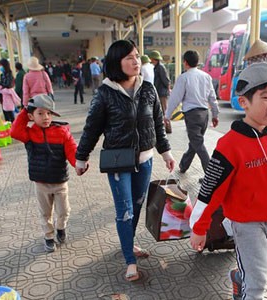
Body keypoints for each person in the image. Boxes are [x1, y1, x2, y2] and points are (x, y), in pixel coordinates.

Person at [189, 62, 267, 300]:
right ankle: (245, 283)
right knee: (256, 285)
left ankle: (241, 276)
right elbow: (210, 190)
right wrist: (199, 228)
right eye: (265, 97)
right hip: (247, 223)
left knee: (265, 267)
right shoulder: (229, 145)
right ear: (244, 102)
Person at [75, 40, 176, 282]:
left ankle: (127, 245)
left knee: (138, 206)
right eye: (130, 57)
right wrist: (81, 157)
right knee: (125, 212)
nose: (136, 61)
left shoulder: (148, 89)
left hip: (145, 159)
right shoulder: (105, 93)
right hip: (119, 161)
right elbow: (92, 129)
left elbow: (157, 126)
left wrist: (166, 152)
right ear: (117, 62)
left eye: (137, 56)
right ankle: (129, 260)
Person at [11, 94, 77, 252]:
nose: (45, 117)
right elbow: (14, 132)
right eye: (40, 113)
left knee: (64, 210)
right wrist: (25, 109)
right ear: (31, 116)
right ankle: (48, 236)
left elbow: (72, 150)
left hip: (60, 181)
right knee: (45, 213)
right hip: (41, 183)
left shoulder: (62, 132)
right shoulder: (29, 134)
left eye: (48, 113)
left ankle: (61, 228)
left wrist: (79, 164)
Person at [164, 50, 219, 181]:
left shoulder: (184, 77)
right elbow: (213, 97)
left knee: (198, 144)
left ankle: (211, 176)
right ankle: (183, 165)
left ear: (185, 62)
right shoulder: (206, 77)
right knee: (195, 143)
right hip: (204, 114)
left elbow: (175, 98)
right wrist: (215, 115)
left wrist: (167, 115)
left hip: (192, 115)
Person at [149, 50, 171, 133]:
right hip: (159, 91)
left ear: (154, 59)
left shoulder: (160, 67)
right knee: (162, 110)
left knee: (165, 110)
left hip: (162, 92)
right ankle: (165, 127)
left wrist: (167, 90)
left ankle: (168, 128)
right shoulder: (157, 67)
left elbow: (165, 80)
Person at [0, 58, 19, 123]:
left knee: (10, 113)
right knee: (5, 113)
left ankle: (13, 127)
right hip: (3, 97)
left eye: (1, 66)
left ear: (4, 65)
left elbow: (8, 85)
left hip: (8, 97)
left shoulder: (9, 74)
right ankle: (8, 128)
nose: (0, 68)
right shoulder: (2, 75)